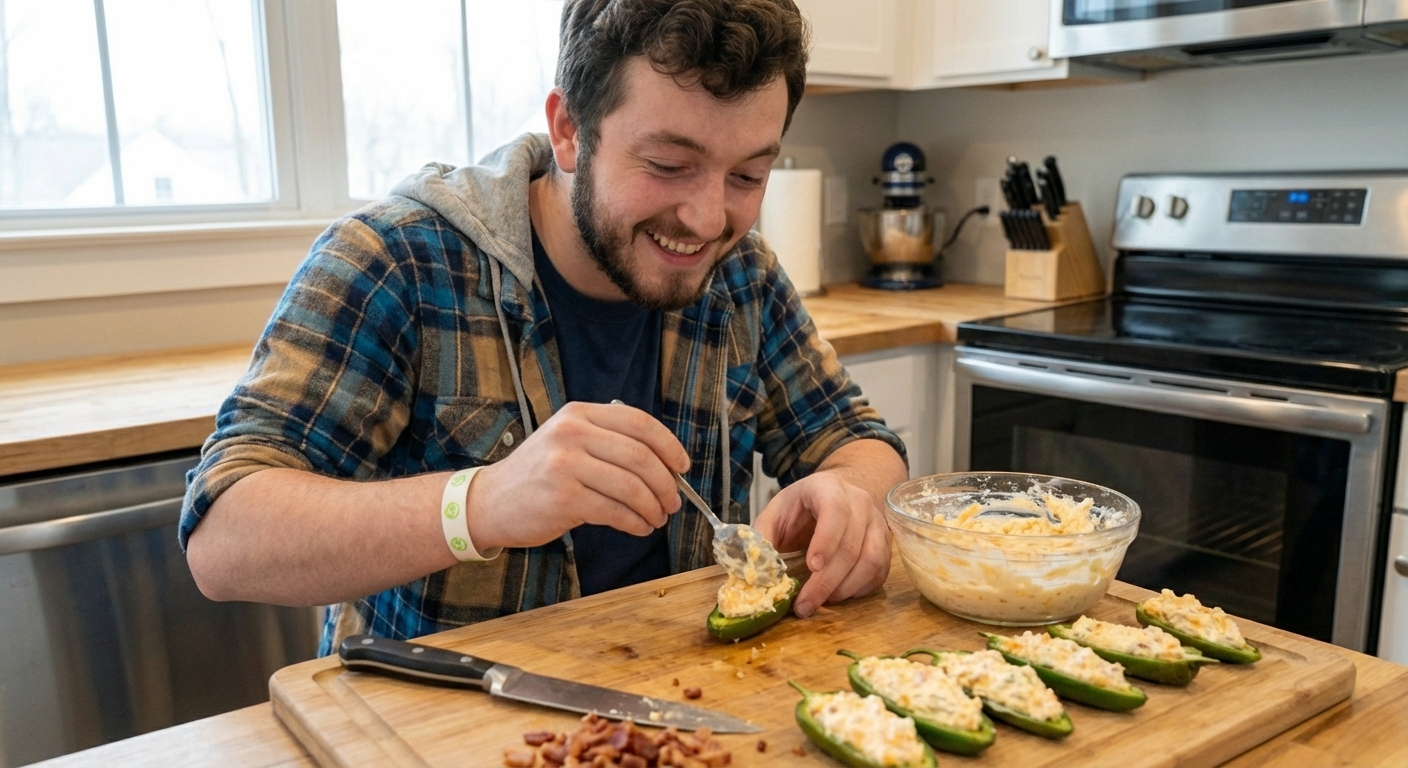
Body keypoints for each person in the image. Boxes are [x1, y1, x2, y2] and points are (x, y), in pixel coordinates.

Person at [182, 0, 908, 655]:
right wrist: (483, 503)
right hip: (440, 719)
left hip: (678, 707)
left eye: (747, 177)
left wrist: (847, 492)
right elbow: (225, 537)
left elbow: (859, 440)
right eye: (667, 164)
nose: (709, 218)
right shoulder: (397, 260)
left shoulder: (739, 274)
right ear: (567, 129)